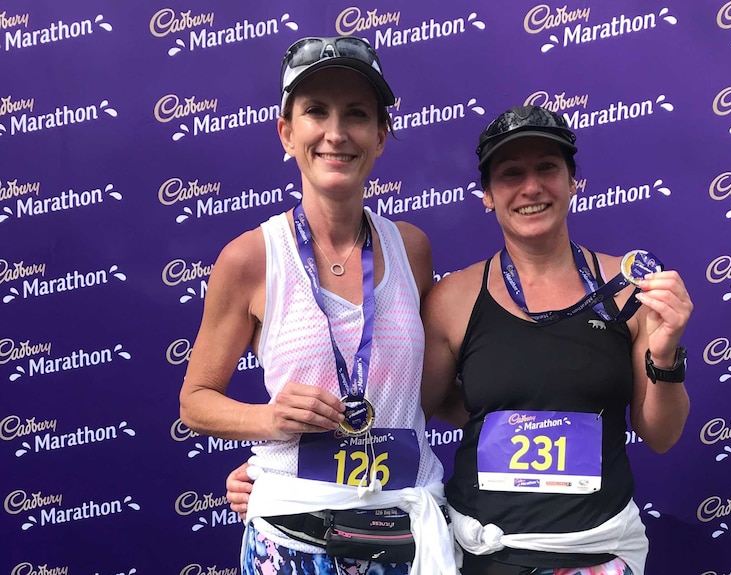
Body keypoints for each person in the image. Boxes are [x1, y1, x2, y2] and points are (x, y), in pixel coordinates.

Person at [227, 105, 693, 575]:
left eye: (547, 168)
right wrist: (275, 472)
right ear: (488, 196)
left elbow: (661, 434)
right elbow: (399, 415)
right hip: (482, 553)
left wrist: (667, 353)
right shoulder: (453, 299)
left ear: (574, 181)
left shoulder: (631, 291)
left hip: (599, 551)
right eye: (510, 174)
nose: (531, 187)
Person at [179, 36, 456, 575]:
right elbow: (195, 401)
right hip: (294, 541)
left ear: (381, 136)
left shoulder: (412, 249)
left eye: (356, 113)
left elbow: (427, 391)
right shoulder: (250, 258)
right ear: (287, 132)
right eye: (315, 112)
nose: (336, 133)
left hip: (408, 534)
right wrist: (268, 420)